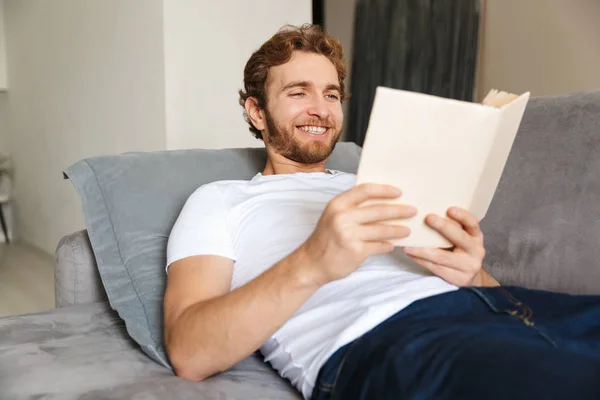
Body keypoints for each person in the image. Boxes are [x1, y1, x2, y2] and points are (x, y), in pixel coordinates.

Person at [163, 24, 600, 400]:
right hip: (393, 341)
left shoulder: (378, 180)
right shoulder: (219, 199)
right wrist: (313, 262)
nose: (320, 109)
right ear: (256, 111)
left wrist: (473, 274)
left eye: (331, 95)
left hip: (499, 307)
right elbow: (189, 351)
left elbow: (481, 285)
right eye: (299, 93)